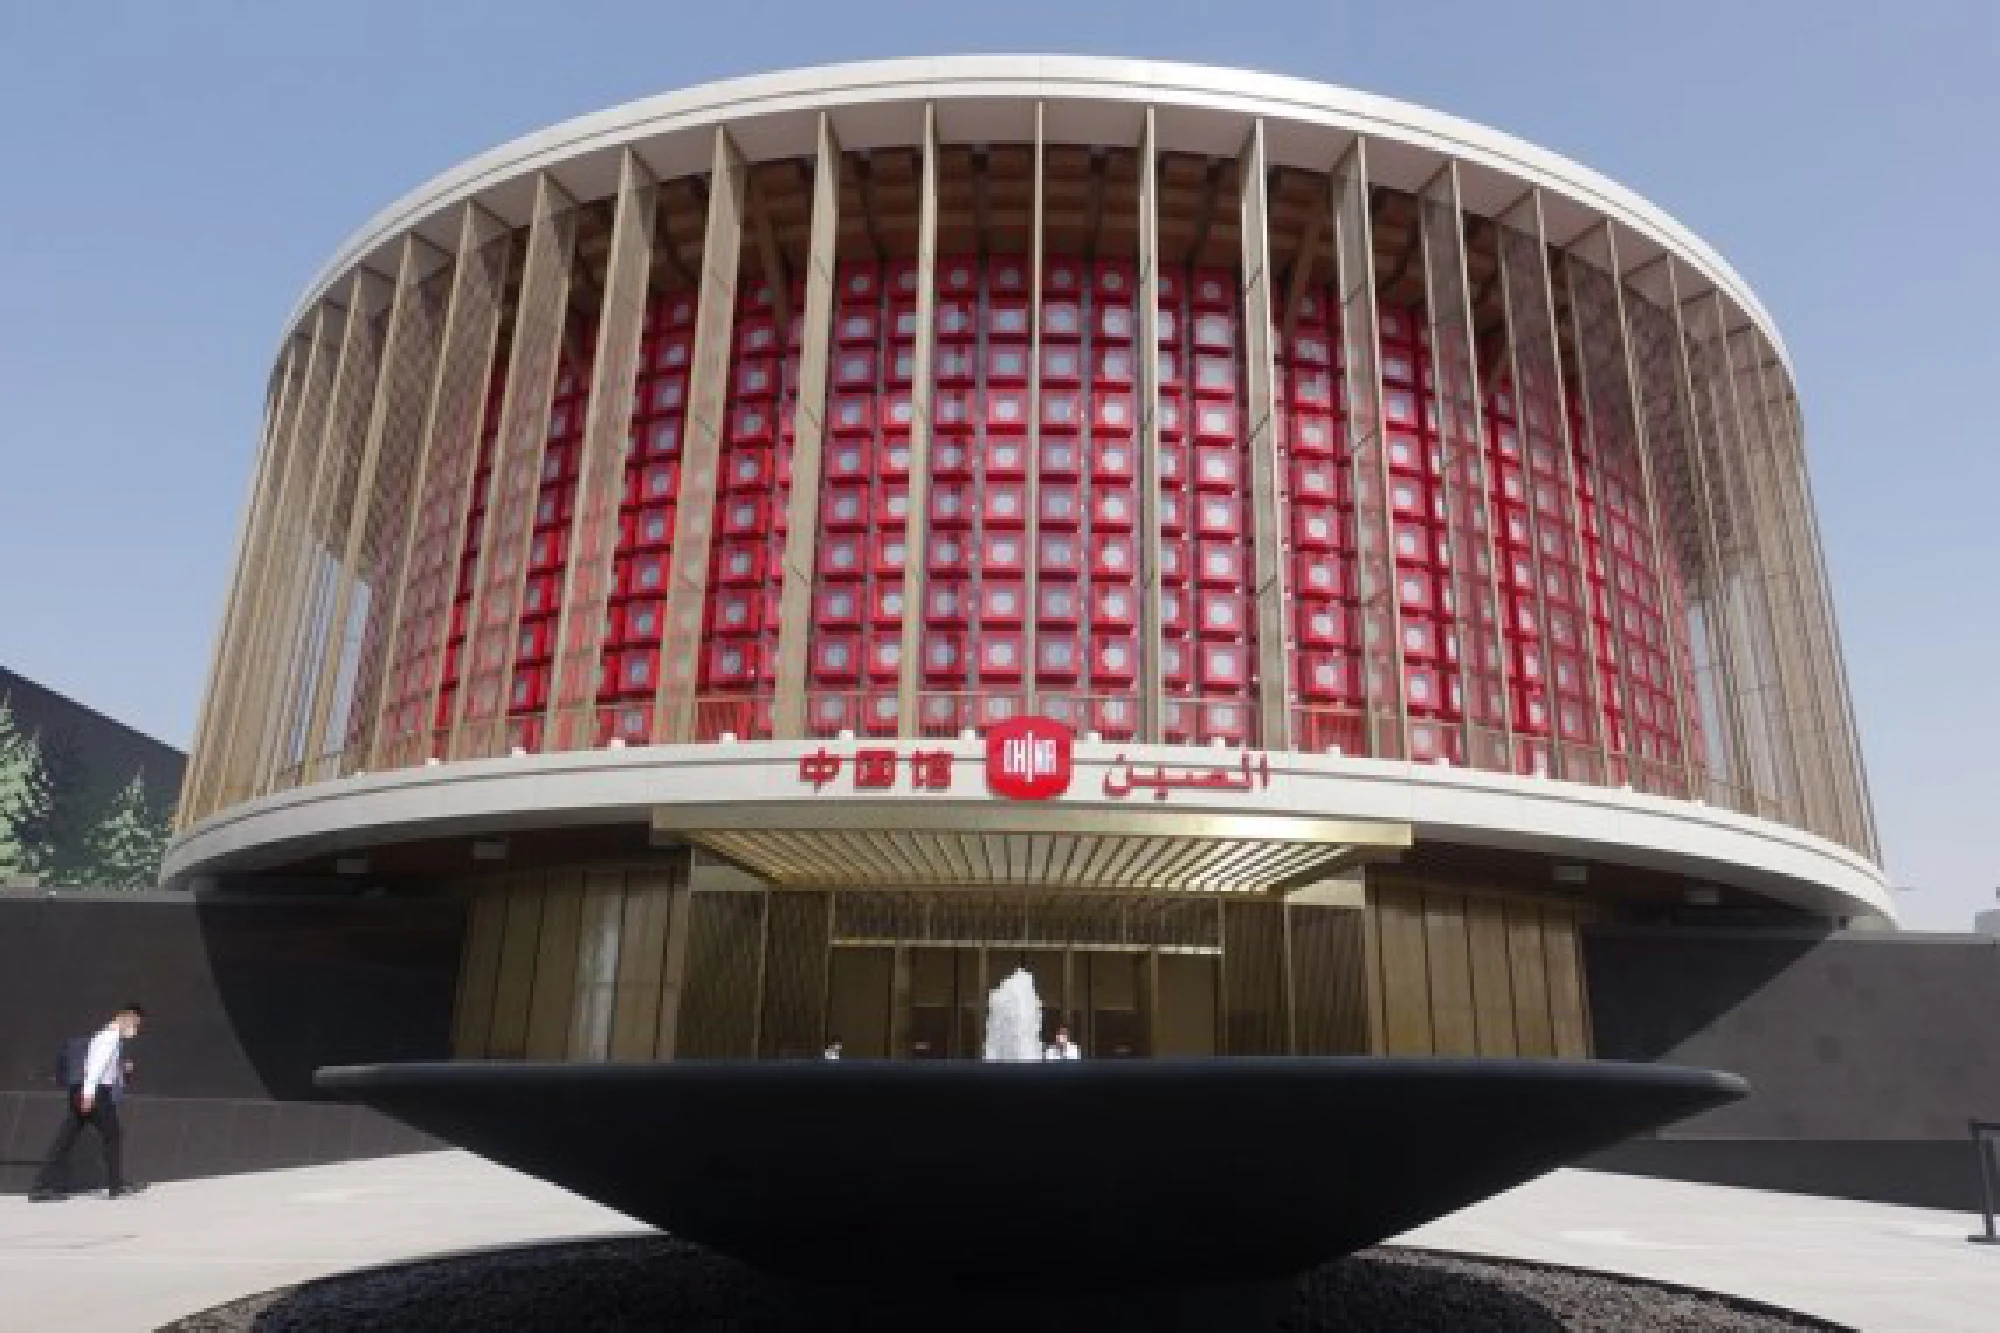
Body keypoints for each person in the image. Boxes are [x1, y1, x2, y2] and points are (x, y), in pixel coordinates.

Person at [30, 1003, 146, 1201]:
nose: (136, 1028)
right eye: (135, 1023)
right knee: (112, 1135)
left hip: (86, 1090)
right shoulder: (108, 1038)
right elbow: (94, 1068)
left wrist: (121, 1074)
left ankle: (42, 1186)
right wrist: (89, 1094)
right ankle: (115, 1187)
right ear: (124, 1018)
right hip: (95, 1092)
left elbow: (99, 1068)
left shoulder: (108, 1038)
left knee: (65, 1139)